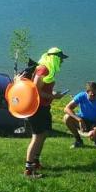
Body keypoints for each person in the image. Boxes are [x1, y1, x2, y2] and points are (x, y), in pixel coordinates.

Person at [25, 48, 68, 178]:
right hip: (36, 108)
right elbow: (36, 90)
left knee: (43, 134)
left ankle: (36, 162)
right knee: (37, 136)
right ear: (54, 58)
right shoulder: (43, 69)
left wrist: (52, 95)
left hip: (43, 107)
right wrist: (53, 96)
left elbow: (43, 90)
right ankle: (28, 169)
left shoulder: (48, 69)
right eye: (60, 59)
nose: (62, 61)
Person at [63, 81, 96, 147]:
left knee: (93, 135)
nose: (95, 96)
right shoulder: (81, 96)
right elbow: (66, 108)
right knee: (66, 118)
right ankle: (78, 140)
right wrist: (79, 120)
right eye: (93, 94)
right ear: (87, 92)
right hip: (84, 120)